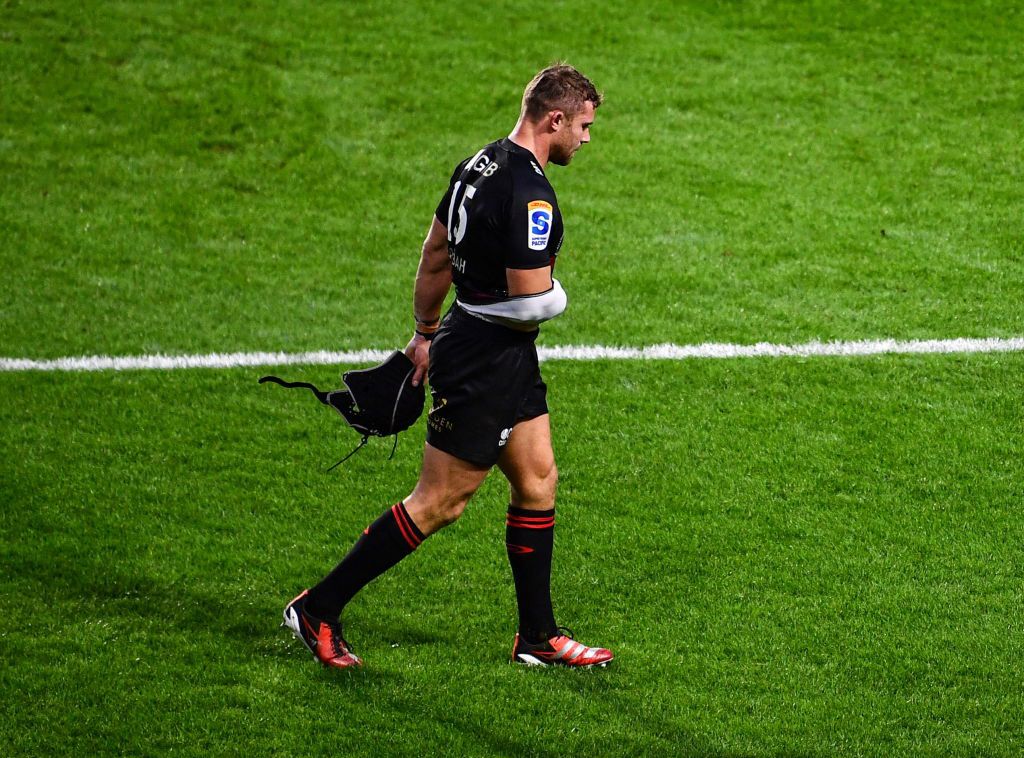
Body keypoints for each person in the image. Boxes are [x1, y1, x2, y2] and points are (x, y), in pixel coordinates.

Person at [283, 64, 612, 669]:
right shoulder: (529, 192)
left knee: (538, 481)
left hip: (488, 346)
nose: (587, 139)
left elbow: (436, 253)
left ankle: (537, 637)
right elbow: (529, 296)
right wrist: (558, 300)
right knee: (440, 501)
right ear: (554, 119)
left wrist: (424, 333)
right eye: (584, 126)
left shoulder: (477, 165)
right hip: (486, 357)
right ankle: (318, 607)